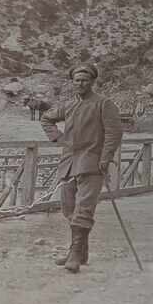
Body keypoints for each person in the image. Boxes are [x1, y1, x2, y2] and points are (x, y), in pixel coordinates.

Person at [39, 64, 123, 273]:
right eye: (76, 80)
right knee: (68, 208)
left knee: (84, 208)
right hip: (68, 164)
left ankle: (75, 253)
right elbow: (46, 118)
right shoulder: (68, 106)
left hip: (92, 163)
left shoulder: (104, 104)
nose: (80, 84)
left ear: (93, 81)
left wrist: (105, 158)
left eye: (84, 80)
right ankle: (80, 252)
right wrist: (57, 137)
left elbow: (114, 134)